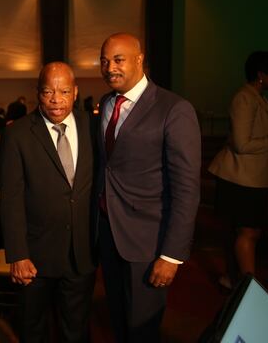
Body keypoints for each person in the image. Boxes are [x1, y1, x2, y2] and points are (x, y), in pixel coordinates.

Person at [96, 33, 201, 342]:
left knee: (143, 329)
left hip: (148, 241)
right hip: (108, 235)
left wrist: (171, 255)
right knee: (116, 318)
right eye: (104, 61)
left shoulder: (174, 108)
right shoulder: (105, 103)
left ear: (139, 59)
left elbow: (187, 189)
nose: (109, 68)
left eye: (118, 60)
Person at [0, 62, 96, 342]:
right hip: (35, 256)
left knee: (76, 331)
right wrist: (17, 254)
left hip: (82, 251)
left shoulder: (92, 126)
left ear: (75, 92)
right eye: (48, 92)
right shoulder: (17, 134)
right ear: (37, 93)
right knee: (34, 329)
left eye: (64, 91)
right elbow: (11, 198)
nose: (56, 99)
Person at [209, 52, 268, 289]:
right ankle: (247, 289)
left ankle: (239, 281)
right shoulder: (244, 98)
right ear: (260, 74)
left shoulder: (258, 98)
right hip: (241, 179)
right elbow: (242, 143)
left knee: (248, 233)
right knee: (247, 232)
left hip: (252, 178)